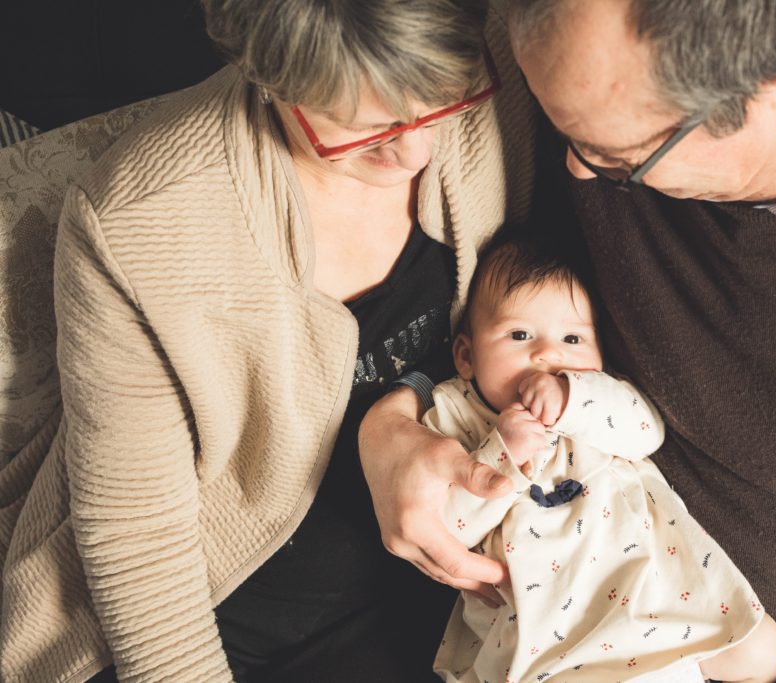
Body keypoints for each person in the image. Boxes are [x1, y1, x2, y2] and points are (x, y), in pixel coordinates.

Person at [364, 0, 776, 680]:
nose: (580, 174)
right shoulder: (595, 77)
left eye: (616, 158)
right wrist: (393, 420)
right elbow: (482, 302)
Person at [0, 0, 537, 680]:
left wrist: (400, 408)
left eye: (439, 102)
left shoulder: (495, 60)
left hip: (448, 609)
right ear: (268, 79)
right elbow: (138, 540)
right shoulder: (138, 218)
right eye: (367, 133)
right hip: (225, 625)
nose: (415, 152)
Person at [425, 240, 776, 683]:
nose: (547, 354)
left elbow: (647, 432)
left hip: (659, 601)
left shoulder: (600, 398)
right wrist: (505, 454)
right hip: (554, 637)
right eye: (519, 335)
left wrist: (574, 398)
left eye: (572, 339)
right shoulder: (452, 414)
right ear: (466, 356)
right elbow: (445, 528)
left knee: (761, 652)